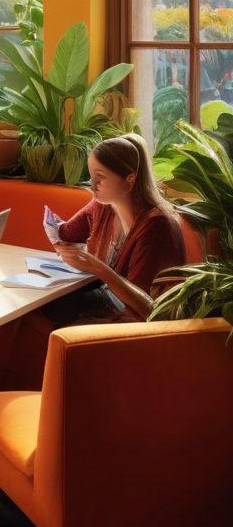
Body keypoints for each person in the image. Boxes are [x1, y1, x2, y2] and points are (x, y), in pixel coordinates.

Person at [11, 133, 186, 386]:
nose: (92, 186)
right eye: (91, 176)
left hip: (136, 322)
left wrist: (98, 268)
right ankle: (28, 398)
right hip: (105, 301)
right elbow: (66, 232)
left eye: (100, 178)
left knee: (46, 325)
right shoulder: (104, 205)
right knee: (31, 312)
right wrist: (56, 232)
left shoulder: (157, 226)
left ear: (130, 180)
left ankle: (46, 401)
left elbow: (147, 307)